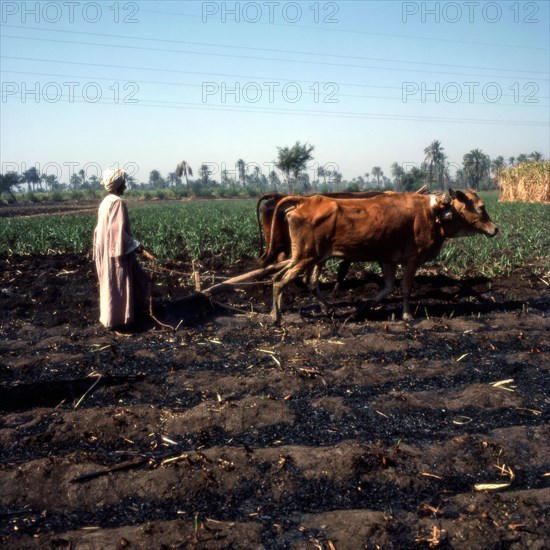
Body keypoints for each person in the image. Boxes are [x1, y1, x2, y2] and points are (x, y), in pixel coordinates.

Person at [93, 168, 149, 329]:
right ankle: (121, 320)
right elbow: (117, 231)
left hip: (105, 248)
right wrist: (136, 246)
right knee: (120, 282)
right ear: (119, 184)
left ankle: (112, 318)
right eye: (124, 182)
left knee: (110, 283)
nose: (125, 185)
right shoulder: (117, 202)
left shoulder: (106, 201)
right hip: (115, 251)